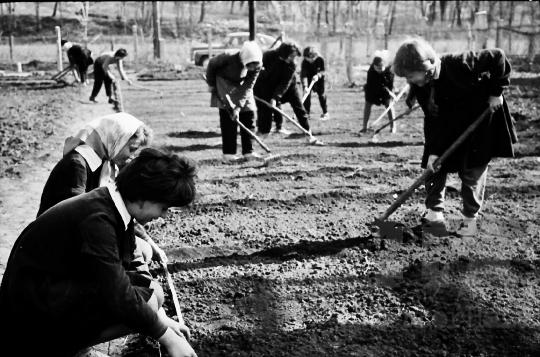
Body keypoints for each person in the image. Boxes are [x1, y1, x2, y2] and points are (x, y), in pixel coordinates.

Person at [0, 149, 198, 357]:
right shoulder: (97, 219)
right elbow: (118, 294)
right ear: (142, 197)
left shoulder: (115, 205)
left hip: (54, 287)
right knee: (144, 302)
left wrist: (162, 321)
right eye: (164, 207)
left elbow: (131, 263)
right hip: (31, 306)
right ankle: (62, 350)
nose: (163, 216)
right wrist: (167, 337)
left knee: (153, 293)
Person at [393, 38, 517, 237]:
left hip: (479, 123)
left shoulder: (460, 63)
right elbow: (432, 122)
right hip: (448, 127)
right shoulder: (423, 87)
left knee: (471, 171)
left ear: (426, 66)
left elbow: (498, 56)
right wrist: (433, 152)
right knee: (433, 168)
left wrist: (496, 92)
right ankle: (434, 219)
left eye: (410, 75)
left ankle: (470, 221)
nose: (409, 81)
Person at [37, 113, 168, 266]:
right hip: (57, 243)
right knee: (138, 251)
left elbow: (121, 209)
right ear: (116, 139)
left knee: (141, 249)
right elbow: (72, 220)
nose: (131, 157)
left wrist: (148, 241)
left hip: (82, 234)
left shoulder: (106, 164)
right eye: (131, 149)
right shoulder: (77, 165)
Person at [206, 41, 263, 164]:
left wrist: (238, 106)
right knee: (228, 117)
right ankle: (228, 155)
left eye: (255, 66)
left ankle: (249, 151)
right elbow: (211, 64)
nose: (252, 68)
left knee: (249, 114)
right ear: (244, 59)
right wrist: (211, 84)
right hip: (224, 82)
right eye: (250, 65)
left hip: (242, 85)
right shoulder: (227, 57)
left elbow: (248, 86)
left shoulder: (257, 64)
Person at [254, 42, 311, 139]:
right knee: (266, 107)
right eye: (291, 56)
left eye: (295, 57)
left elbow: (285, 82)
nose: (293, 59)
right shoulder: (268, 55)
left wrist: (276, 97)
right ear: (284, 54)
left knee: (299, 107)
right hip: (268, 85)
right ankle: (264, 131)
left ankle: (307, 131)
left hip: (289, 87)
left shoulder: (293, 64)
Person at [361, 50, 396, 134]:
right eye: (377, 68)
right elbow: (378, 84)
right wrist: (389, 92)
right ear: (374, 66)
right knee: (368, 104)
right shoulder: (371, 71)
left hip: (386, 89)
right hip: (372, 89)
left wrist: (391, 93)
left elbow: (389, 83)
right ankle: (365, 127)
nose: (379, 70)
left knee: (389, 105)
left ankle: (393, 127)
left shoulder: (390, 70)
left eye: (381, 68)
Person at [301, 46, 330, 121]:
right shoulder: (304, 62)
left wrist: (318, 75)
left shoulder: (320, 59)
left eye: (311, 58)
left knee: (322, 95)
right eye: (307, 58)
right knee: (306, 95)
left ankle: (325, 113)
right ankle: (306, 114)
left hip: (320, 79)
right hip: (309, 78)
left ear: (315, 56)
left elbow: (324, 70)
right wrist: (305, 86)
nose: (309, 60)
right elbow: (303, 75)